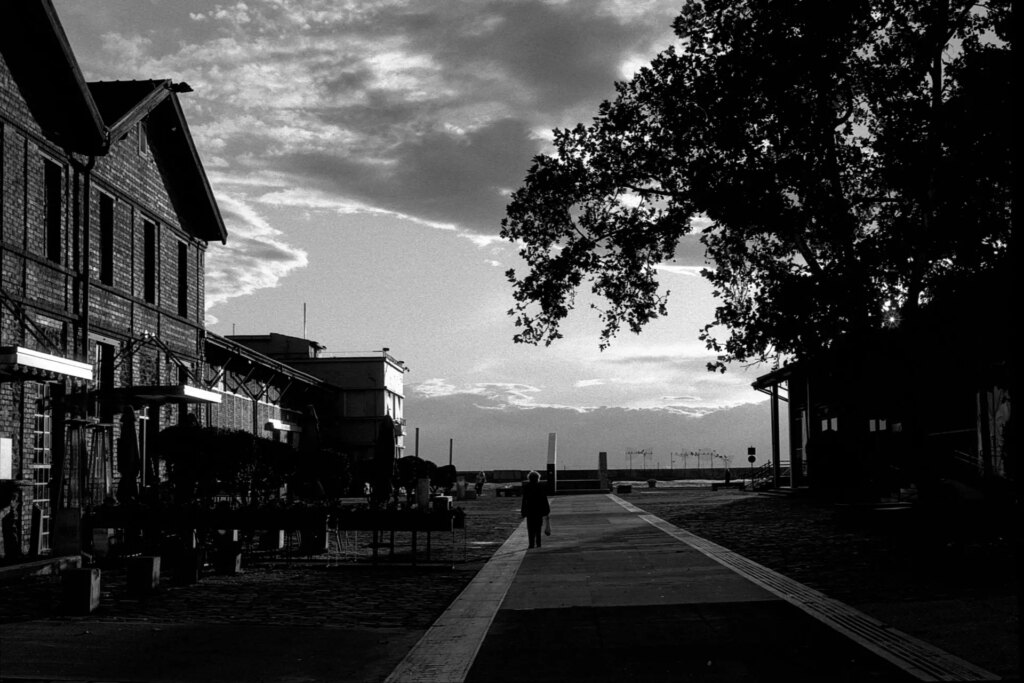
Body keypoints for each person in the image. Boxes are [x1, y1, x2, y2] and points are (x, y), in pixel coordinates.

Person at [520, 470, 550, 549]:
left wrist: (523, 511)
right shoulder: (540, 487)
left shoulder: (526, 487)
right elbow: (544, 500)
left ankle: (531, 544)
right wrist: (546, 510)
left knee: (530, 528)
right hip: (539, 510)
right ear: (538, 478)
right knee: (538, 528)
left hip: (530, 510)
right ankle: (538, 543)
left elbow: (524, 501)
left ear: (529, 478)